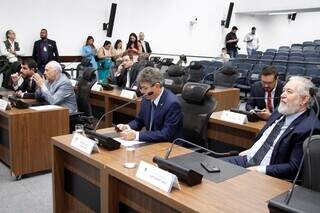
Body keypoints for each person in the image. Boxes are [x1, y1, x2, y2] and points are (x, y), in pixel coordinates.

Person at [223, 76, 320, 179]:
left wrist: (259, 169)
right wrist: (251, 150)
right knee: (213, 167)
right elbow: (266, 139)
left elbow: (294, 167)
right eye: (283, 91)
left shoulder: (309, 128)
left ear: (304, 99)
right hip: (248, 159)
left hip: (268, 172)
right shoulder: (281, 110)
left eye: (289, 92)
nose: (282, 95)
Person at [117, 67, 183, 142]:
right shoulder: (146, 99)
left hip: (170, 146)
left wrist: (137, 135)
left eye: (145, 88)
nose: (142, 92)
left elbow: (166, 134)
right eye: (141, 88)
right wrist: (127, 127)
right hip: (152, 142)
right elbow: (139, 121)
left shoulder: (172, 104)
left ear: (157, 86)